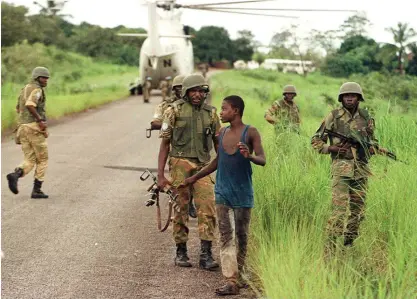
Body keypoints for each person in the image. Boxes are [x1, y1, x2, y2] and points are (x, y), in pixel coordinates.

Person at [180, 95, 266, 296]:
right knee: (227, 237)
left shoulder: (250, 132)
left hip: (243, 194)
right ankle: (231, 279)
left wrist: (250, 156)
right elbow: (216, 162)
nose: (221, 112)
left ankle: (241, 275)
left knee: (242, 237)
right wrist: (192, 179)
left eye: (224, 109)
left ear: (235, 110)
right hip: (222, 193)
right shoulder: (223, 132)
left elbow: (262, 159)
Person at [157, 73, 221, 270]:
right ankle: (181, 251)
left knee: (208, 207)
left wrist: (223, 167)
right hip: (179, 164)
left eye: (201, 91)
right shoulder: (173, 111)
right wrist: (161, 175)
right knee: (180, 208)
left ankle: (206, 253)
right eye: (193, 91)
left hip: (203, 166)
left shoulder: (211, 113)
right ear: (185, 92)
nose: (197, 94)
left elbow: (218, 144)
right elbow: (165, 144)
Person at [311, 82, 378, 254]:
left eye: (353, 95)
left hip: (361, 169)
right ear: (341, 98)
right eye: (346, 95)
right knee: (339, 212)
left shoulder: (366, 116)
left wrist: (372, 148)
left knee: (358, 212)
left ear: (358, 98)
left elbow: (373, 140)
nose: (349, 98)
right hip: (341, 169)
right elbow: (316, 141)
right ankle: (330, 249)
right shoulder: (333, 116)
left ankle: (348, 245)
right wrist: (330, 149)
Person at [149, 74, 198, 218]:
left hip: (195, 146)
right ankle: (181, 205)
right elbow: (155, 122)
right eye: (178, 88)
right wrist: (173, 123)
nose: (181, 91)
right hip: (176, 146)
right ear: (174, 89)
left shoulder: (196, 105)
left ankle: (190, 203)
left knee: (196, 177)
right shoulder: (167, 106)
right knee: (179, 179)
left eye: (184, 88)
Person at [6, 66, 51, 199]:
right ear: (37, 78)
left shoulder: (25, 88)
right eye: (44, 78)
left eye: (47, 78)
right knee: (43, 159)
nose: (46, 81)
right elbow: (30, 104)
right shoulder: (37, 89)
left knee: (30, 159)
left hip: (23, 128)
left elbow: (18, 108)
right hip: (34, 127)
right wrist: (40, 120)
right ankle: (37, 190)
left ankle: (15, 175)